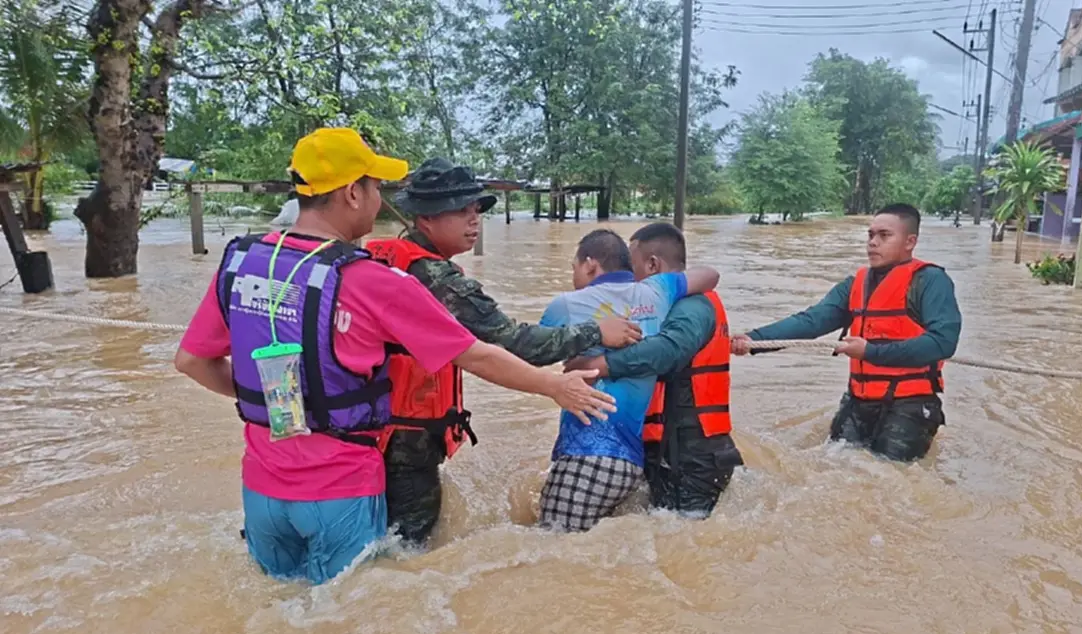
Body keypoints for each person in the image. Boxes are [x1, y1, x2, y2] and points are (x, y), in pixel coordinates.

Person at [174, 128, 616, 585]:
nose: (380, 200)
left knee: (274, 612)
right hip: (339, 489)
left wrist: (283, 401)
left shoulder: (242, 262)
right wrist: (554, 386)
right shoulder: (373, 281)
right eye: (374, 187)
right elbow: (479, 354)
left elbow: (190, 361)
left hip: (262, 488)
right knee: (352, 618)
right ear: (351, 192)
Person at [365, 157, 642, 545]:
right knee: (409, 549)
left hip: (372, 430)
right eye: (461, 210)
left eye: (476, 209)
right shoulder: (436, 278)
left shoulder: (386, 260)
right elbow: (515, 342)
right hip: (406, 443)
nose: (474, 219)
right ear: (425, 218)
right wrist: (597, 331)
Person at [733, 203, 961, 462]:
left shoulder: (930, 281)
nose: (872, 243)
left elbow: (943, 342)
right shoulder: (855, 284)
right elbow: (812, 321)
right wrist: (754, 340)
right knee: (830, 465)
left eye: (884, 236)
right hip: (859, 401)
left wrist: (870, 352)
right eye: (870, 235)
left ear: (910, 242)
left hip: (910, 404)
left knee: (888, 478)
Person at [537, 228, 720, 532]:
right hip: (629, 463)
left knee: (546, 553)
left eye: (574, 268)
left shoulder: (567, 305)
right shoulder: (657, 291)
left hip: (587, 457)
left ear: (590, 265)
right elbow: (710, 275)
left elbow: (524, 352)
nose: (573, 277)